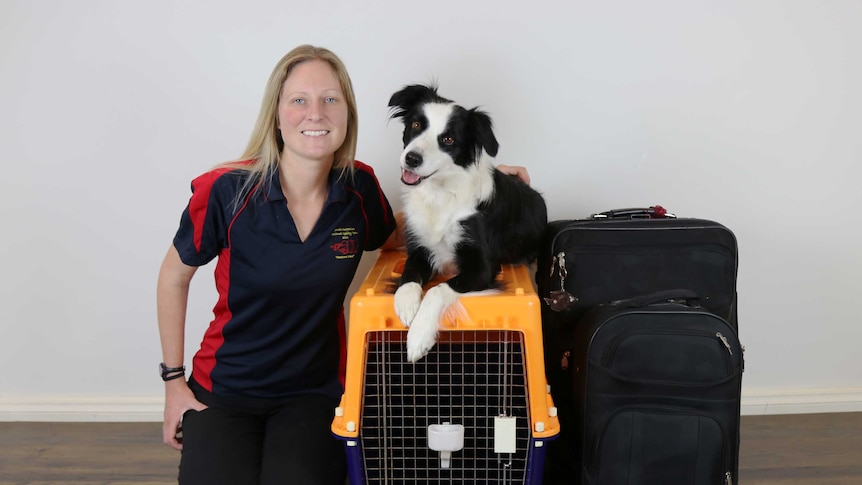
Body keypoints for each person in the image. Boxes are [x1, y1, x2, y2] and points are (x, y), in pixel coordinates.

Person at [156, 44, 531, 485]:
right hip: (223, 389)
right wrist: (173, 383)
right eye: (299, 100)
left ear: (347, 114)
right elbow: (172, 278)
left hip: (313, 393)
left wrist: (479, 184)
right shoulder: (225, 191)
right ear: (276, 115)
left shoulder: (358, 189)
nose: (315, 113)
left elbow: (409, 232)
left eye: (330, 99)